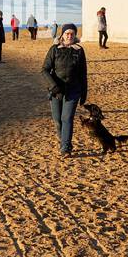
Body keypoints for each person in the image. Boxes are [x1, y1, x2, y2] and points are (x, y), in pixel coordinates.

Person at [42, 23, 88, 157]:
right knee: (58, 120)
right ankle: (64, 141)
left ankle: (65, 147)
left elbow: (83, 73)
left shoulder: (79, 50)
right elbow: (44, 70)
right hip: (56, 91)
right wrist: (54, 86)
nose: (69, 36)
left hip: (73, 90)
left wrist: (84, 92)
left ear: (75, 35)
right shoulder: (54, 49)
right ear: (62, 35)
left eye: (72, 34)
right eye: (67, 33)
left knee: (67, 118)